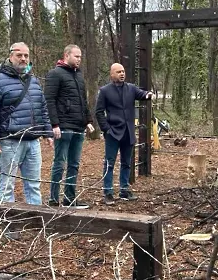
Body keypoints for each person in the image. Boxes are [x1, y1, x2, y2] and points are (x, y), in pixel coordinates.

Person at [0, 42, 53, 211]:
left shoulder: (33, 81)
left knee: (34, 185)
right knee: (7, 187)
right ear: (10, 56)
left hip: (33, 142)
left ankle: (35, 223)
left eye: (26, 56)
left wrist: (47, 132)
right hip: (9, 142)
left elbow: (42, 108)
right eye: (19, 55)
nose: (23, 59)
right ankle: (9, 225)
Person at [95, 63, 153, 205]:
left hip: (128, 132)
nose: (122, 74)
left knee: (127, 163)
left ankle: (124, 190)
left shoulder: (131, 88)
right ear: (112, 74)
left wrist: (149, 95)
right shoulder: (105, 91)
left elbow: (143, 95)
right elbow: (99, 112)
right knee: (109, 163)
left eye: (123, 71)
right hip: (113, 133)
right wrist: (106, 129)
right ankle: (108, 192)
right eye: (118, 72)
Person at [45, 45, 94, 209]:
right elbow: (49, 100)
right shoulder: (55, 74)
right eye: (77, 56)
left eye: (80, 57)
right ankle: (53, 199)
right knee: (59, 163)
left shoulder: (79, 76)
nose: (79, 59)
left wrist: (88, 121)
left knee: (74, 165)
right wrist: (54, 124)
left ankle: (69, 199)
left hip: (78, 128)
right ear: (66, 55)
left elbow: (82, 101)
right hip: (63, 127)